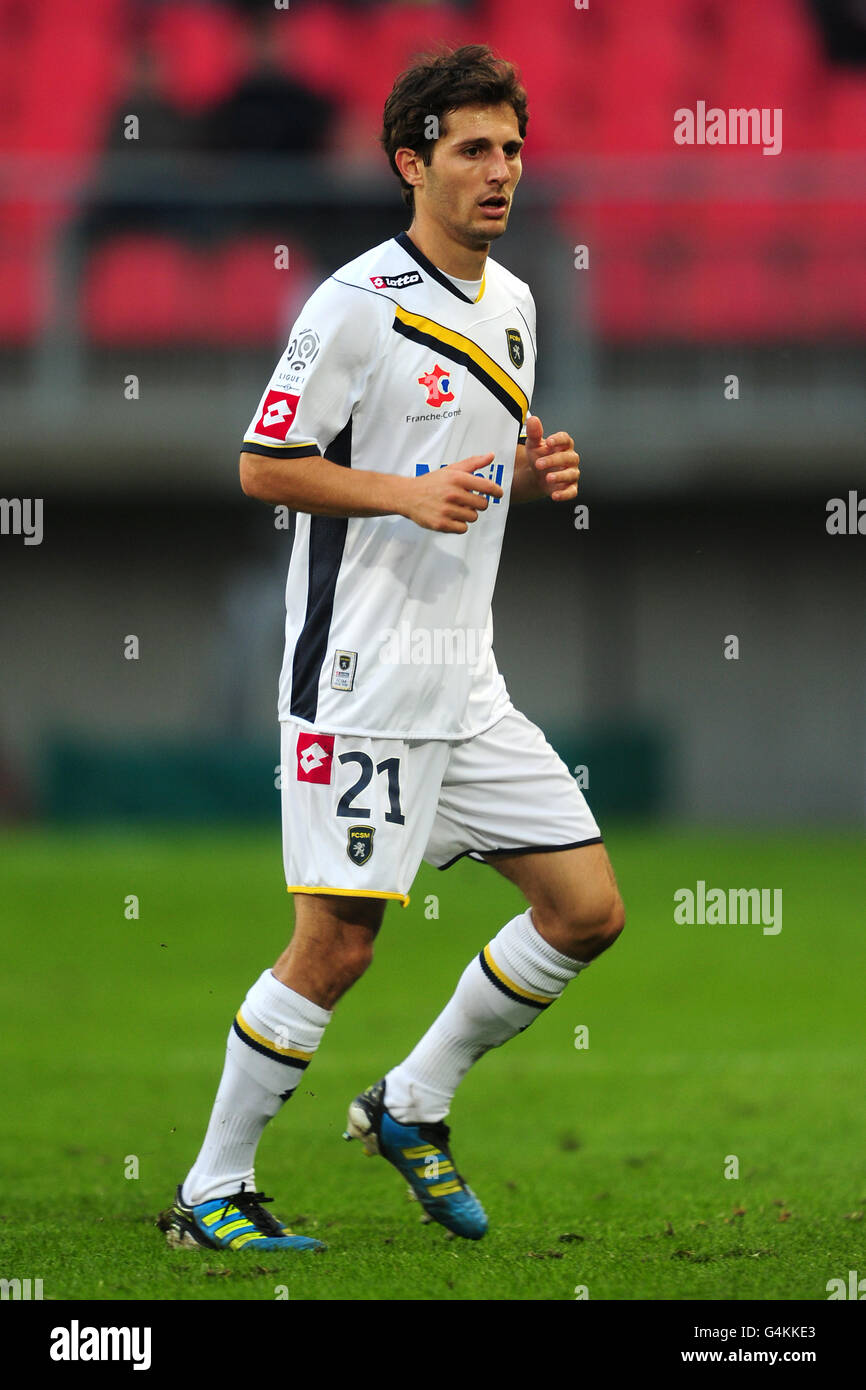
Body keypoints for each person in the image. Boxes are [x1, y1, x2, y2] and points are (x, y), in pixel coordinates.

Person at [157, 43, 624, 1254]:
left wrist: (534, 469)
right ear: (410, 162)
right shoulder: (352, 305)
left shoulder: (515, 304)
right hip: (357, 677)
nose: (500, 170)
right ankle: (212, 1189)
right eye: (472, 148)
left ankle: (409, 1102)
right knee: (337, 944)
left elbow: (475, 446)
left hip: (465, 679)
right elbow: (264, 464)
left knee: (584, 909)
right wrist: (399, 495)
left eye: (512, 148)